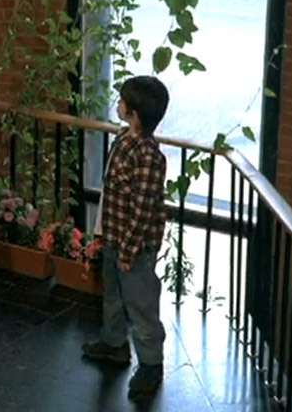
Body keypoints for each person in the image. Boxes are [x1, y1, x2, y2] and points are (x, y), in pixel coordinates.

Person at [82, 75, 169, 400]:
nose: (117, 104)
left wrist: (128, 251)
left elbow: (142, 209)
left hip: (135, 246)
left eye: (122, 102)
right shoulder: (123, 138)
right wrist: (105, 236)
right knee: (114, 294)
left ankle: (151, 364)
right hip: (114, 236)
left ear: (135, 113)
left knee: (141, 304)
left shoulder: (147, 155)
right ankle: (114, 343)